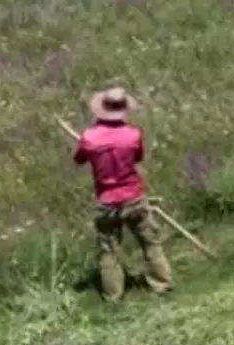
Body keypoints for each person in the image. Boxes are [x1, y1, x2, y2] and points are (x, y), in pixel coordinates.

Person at [73, 87, 172, 302]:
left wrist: (90, 147)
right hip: (133, 196)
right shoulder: (133, 135)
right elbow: (137, 158)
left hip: (107, 201)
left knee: (109, 249)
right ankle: (161, 283)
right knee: (150, 242)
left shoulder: (90, 138)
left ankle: (113, 294)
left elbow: (79, 159)